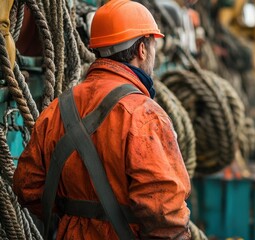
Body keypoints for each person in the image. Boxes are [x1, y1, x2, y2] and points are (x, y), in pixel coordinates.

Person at [13, 0, 191, 239]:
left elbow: (27, 187)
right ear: (141, 49)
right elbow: (165, 213)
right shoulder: (144, 115)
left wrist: (75, 217)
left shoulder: (57, 109)